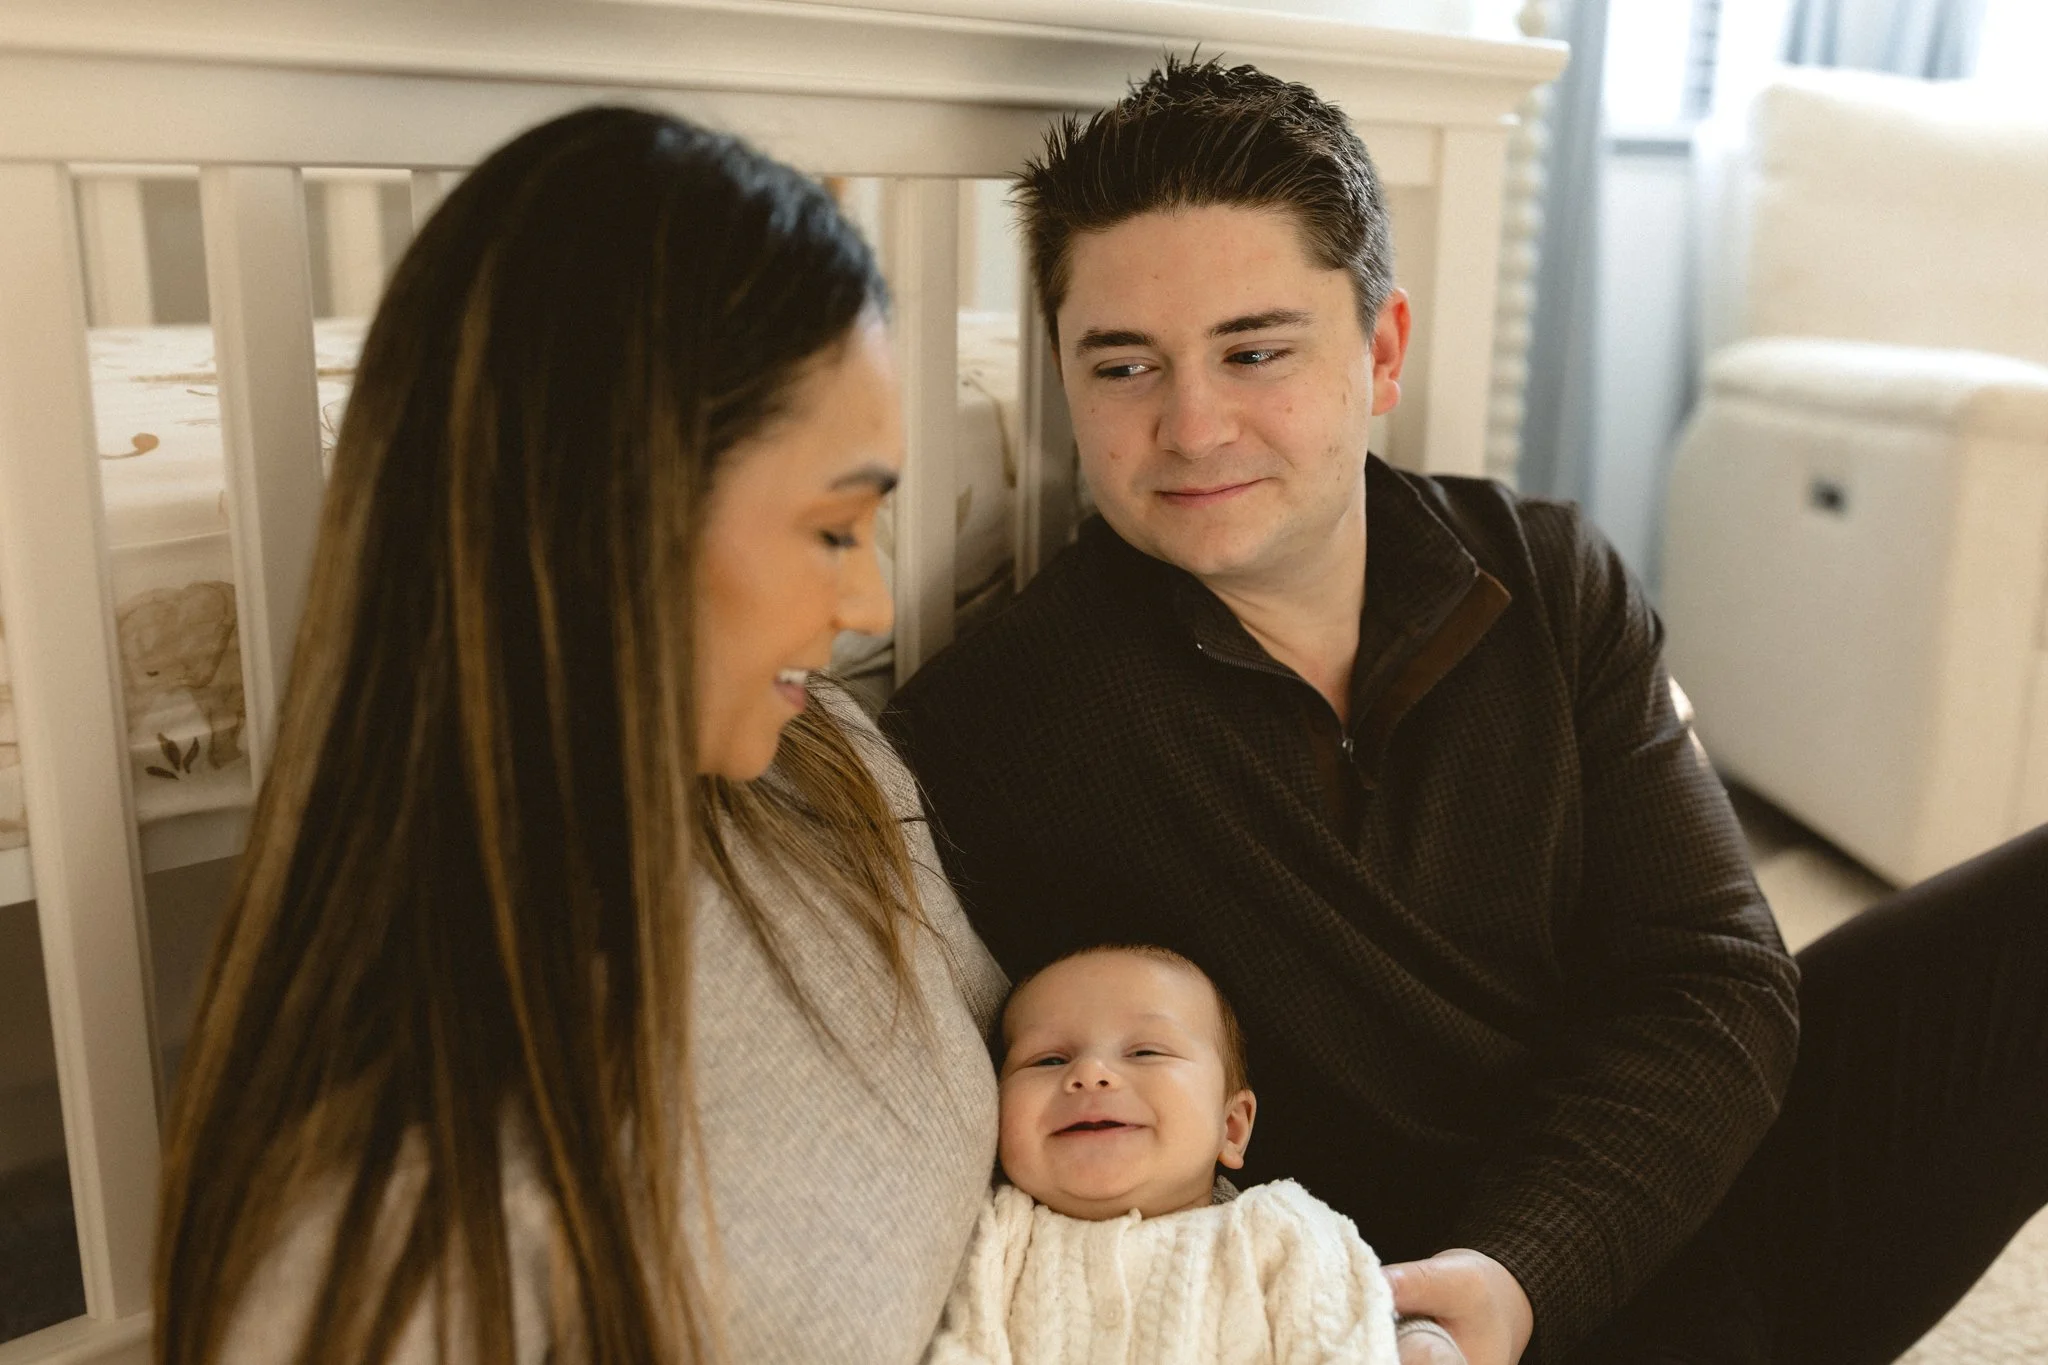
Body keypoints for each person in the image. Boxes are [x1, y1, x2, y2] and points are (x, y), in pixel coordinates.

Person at [881, 57, 2048, 1365]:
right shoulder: (1003, 723)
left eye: (1255, 351)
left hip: (1678, 1201)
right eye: (1124, 366)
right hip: (1419, 1321)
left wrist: (1529, 1265)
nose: (1192, 425)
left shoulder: (1548, 574)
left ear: (1381, 352)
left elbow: (1716, 979)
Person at [153, 106, 1005, 1365]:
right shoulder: (379, 1231)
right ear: (615, 517)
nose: (873, 606)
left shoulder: (816, 766)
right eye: (833, 529)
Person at [929, 944, 1409, 1364]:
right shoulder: (1001, 1234)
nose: (1091, 1072)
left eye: (1145, 1053)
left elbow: (1349, 1349)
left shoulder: (1281, 1229)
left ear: (1231, 1127)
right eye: (1048, 1059)